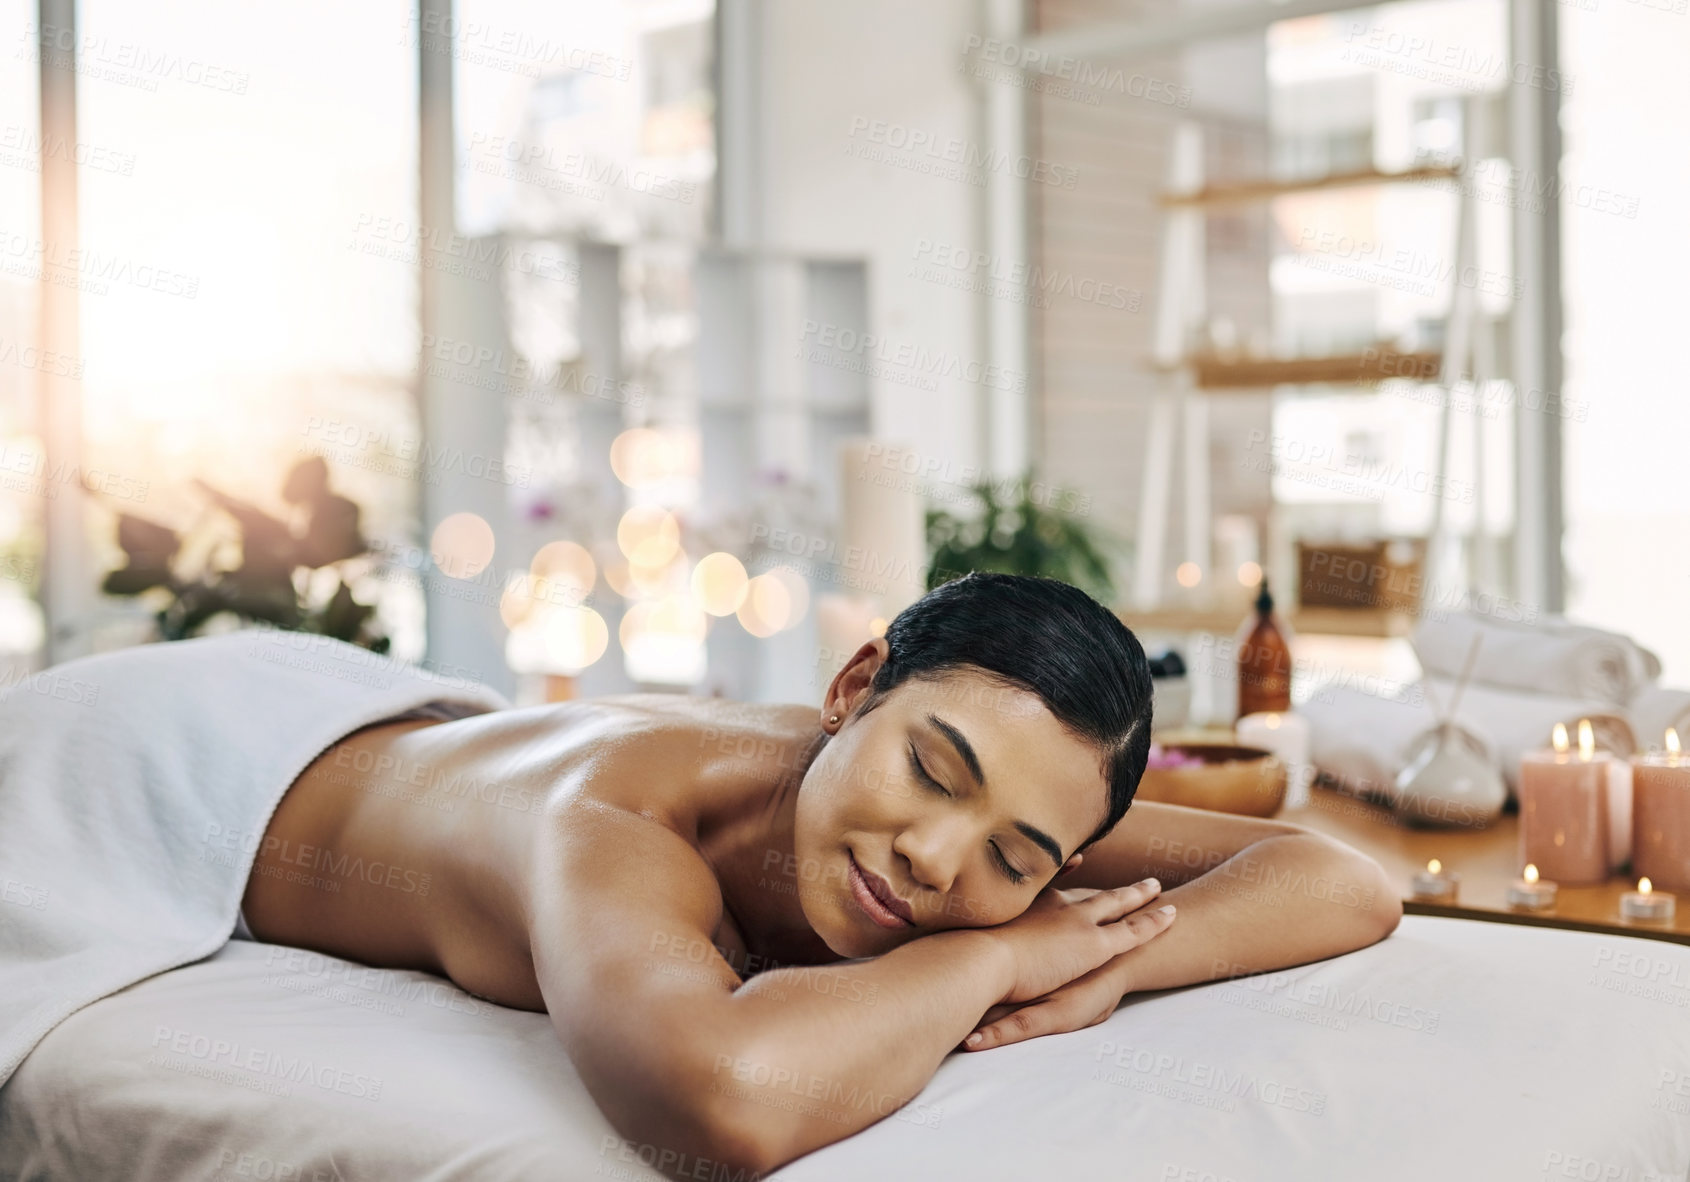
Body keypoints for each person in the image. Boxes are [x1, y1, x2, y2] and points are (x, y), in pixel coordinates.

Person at [236, 571, 1400, 1177]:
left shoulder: (1006, 801)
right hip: (218, 761)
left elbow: (1339, 879)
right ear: (853, 686)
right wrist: (1000, 950)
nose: (938, 858)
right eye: (931, 771)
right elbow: (730, 1101)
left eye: (1015, 860)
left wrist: (1115, 964)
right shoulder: (615, 812)